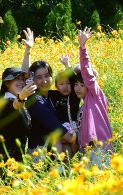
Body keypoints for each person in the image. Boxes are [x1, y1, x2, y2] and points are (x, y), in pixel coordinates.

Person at [20, 28, 72, 165]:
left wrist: (67, 66)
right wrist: (28, 50)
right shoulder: (33, 97)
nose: (44, 81)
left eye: (47, 76)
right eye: (39, 77)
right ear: (33, 79)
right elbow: (25, 76)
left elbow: (72, 85)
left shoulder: (52, 95)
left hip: (51, 153)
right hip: (39, 154)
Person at [70, 27, 114, 169]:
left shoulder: (95, 94)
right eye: (75, 84)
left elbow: (87, 74)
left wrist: (83, 48)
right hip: (87, 150)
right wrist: (67, 66)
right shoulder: (84, 105)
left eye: (81, 85)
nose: (77, 88)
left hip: (100, 148)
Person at [0, 67, 37, 179]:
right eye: (16, 79)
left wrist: (28, 50)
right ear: (7, 83)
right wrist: (21, 97)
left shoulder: (19, 101)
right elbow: (15, 105)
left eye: (22, 79)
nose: (21, 82)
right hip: (5, 161)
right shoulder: (5, 103)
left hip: (16, 159)